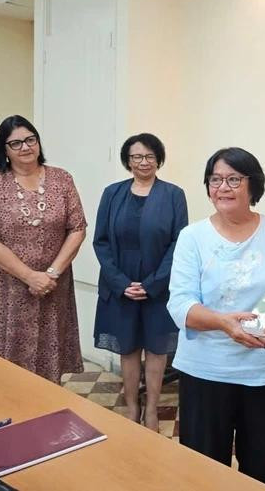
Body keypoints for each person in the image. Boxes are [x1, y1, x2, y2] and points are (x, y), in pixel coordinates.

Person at [167, 147, 265, 490]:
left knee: (261, 464)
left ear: (252, 185)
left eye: (233, 179)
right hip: (206, 369)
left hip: (262, 369)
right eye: (215, 180)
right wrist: (223, 323)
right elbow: (180, 304)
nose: (223, 187)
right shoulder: (193, 237)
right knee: (202, 466)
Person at [0, 115, 87, 384]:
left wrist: (51, 274)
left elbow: (77, 228)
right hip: (4, 288)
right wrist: (29, 276)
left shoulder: (61, 178)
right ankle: (3, 411)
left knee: (48, 356)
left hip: (51, 286)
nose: (25, 147)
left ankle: (46, 409)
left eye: (30, 139)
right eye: (16, 143)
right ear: (4, 150)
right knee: (1, 362)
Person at [93, 133, 188, 432]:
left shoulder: (173, 194)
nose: (143, 162)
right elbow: (101, 242)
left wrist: (153, 283)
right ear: (127, 161)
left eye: (148, 156)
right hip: (121, 287)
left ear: (158, 159)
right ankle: (132, 407)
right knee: (128, 348)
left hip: (158, 286)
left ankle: (151, 410)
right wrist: (121, 283)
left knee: (157, 350)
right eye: (136, 157)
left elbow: (179, 243)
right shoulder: (112, 193)